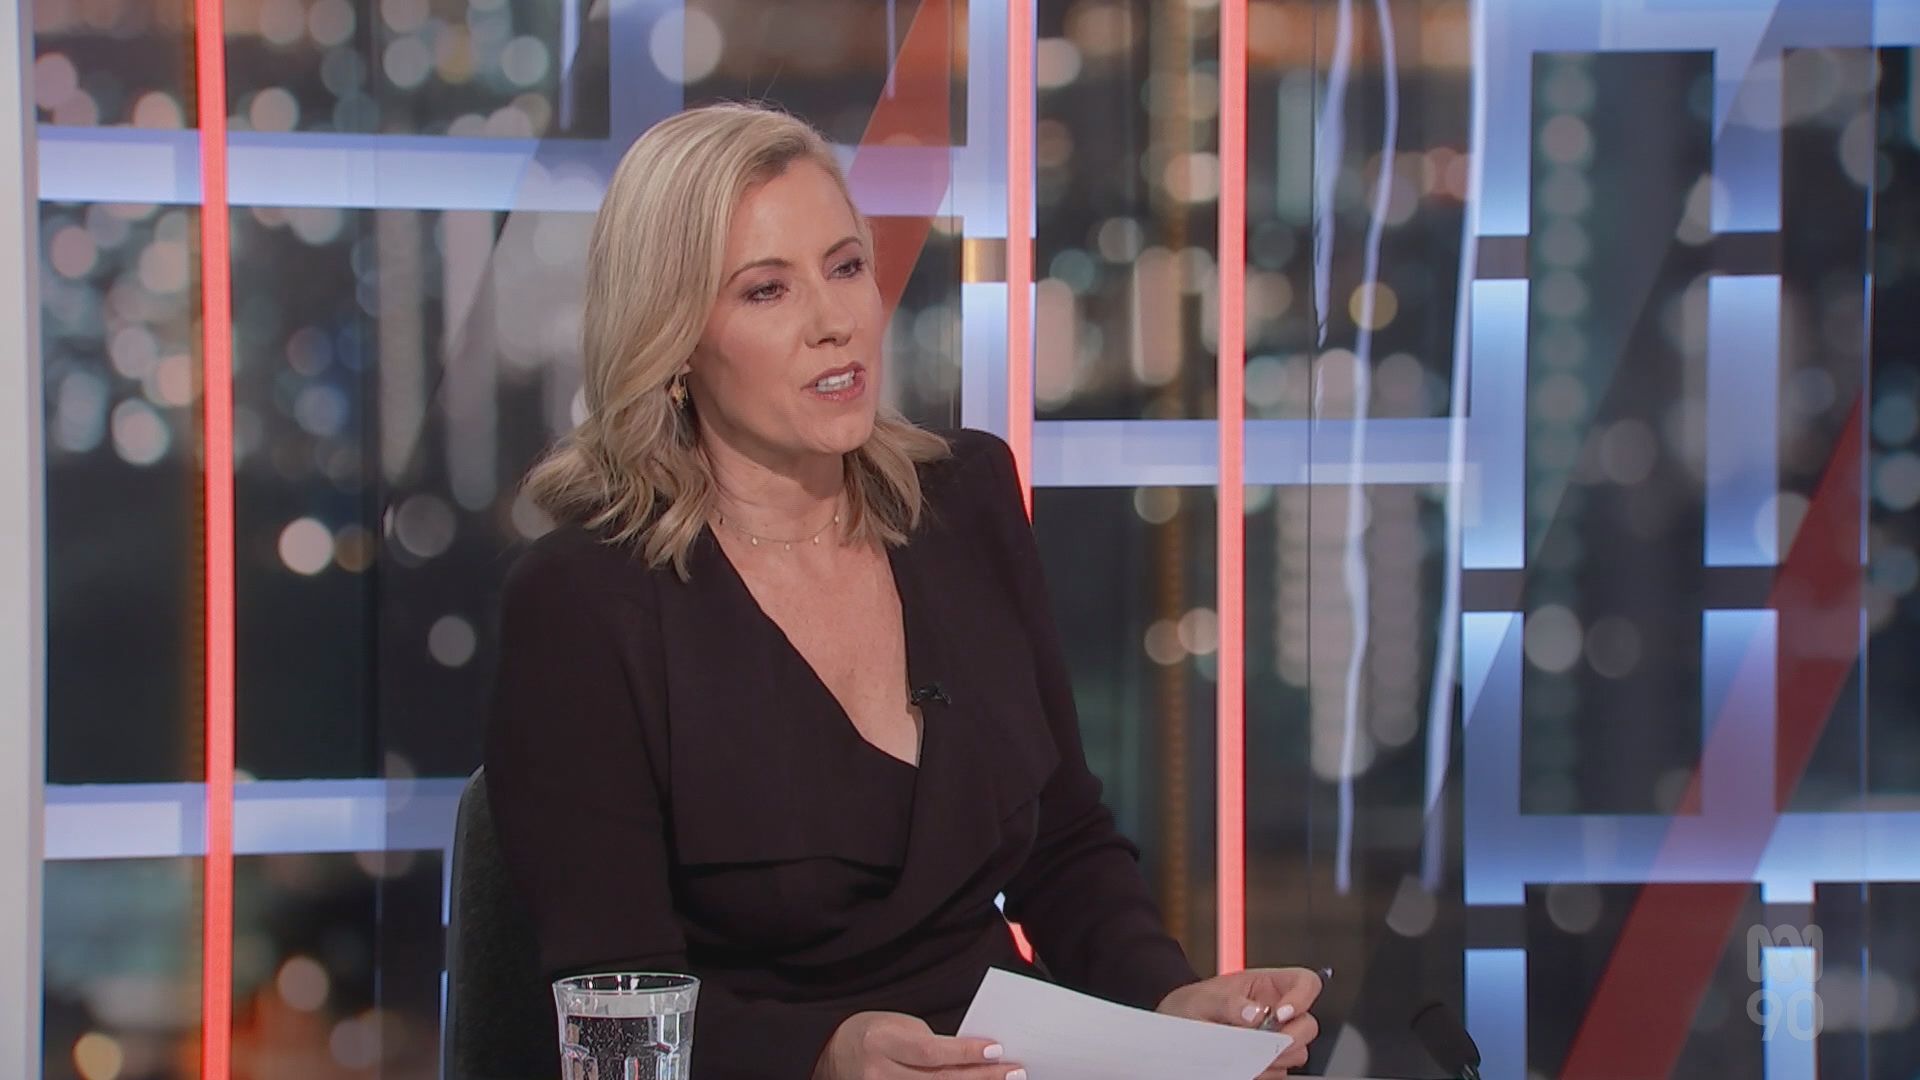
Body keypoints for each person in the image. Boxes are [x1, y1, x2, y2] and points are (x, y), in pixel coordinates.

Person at [485, 102, 1322, 1080]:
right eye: (767, 290)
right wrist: (822, 1058)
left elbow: (1065, 845)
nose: (836, 322)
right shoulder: (585, 605)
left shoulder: (964, 502)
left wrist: (1167, 1002)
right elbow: (612, 1022)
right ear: (673, 340)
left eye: (846, 267)